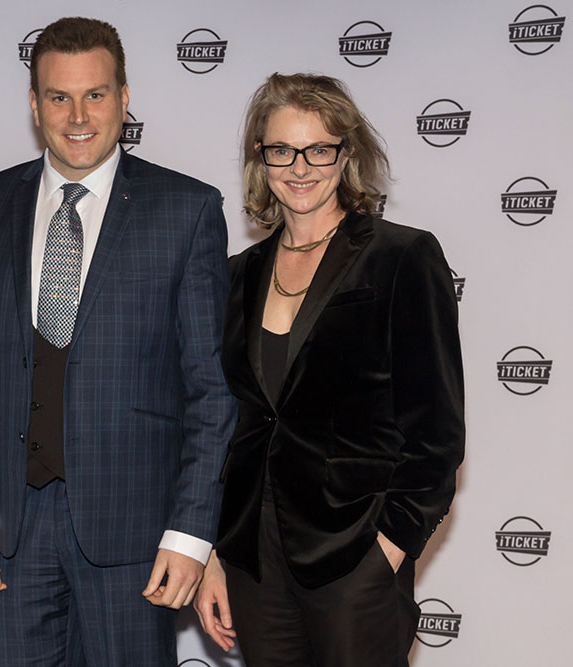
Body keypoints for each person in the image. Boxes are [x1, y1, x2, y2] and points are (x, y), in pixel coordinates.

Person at [0, 16, 235, 667]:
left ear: (124, 97)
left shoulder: (185, 210)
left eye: (96, 94)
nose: (78, 114)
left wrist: (192, 532)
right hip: (13, 533)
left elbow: (212, 392)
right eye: (58, 97)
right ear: (33, 104)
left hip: (136, 534)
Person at [194, 72, 465, 666]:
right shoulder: (237, 276)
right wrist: (215, 553)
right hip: (254, 560)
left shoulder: (401, 257)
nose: (300, 166)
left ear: (346, 155)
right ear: (260, 159)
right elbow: (227, 427)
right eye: (281, 149)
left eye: (319, 148)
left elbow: (437, 434)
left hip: (353, 550)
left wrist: (387, 552)